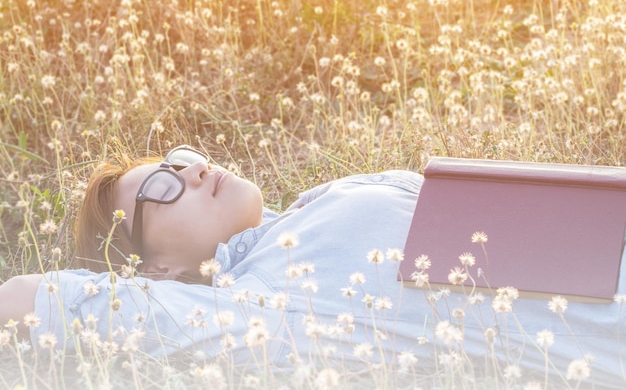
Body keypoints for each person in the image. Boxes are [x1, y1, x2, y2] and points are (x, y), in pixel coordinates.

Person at [0, 145, 625, 388]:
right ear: (156, 274)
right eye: (161, 190)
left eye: (180, 157)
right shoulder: (258, 306)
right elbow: (22, 298)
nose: (190, 170)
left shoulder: (315, 204)